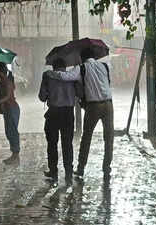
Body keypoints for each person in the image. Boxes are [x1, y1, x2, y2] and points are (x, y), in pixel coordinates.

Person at [46, 48, 114, 180]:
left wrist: (50, 73)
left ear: (82, 58)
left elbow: (65, 76)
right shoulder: (105, 66)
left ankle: (81, 168)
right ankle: (107, 168)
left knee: (86, 138)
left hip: (93, 106)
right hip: (108, 105)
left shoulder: (81, 68)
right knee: (109, 138)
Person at [38, 58, 76, 186]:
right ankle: (69, 174)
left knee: (52, 144)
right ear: (65, 67)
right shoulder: (72, 76)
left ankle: (53, 173)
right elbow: (80, 93)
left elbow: (42, 97)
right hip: (68, 113)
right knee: (67, 144)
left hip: (53, 113)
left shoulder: (47, 76)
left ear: (53, 67)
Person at [0, 62, 21, 164]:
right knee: (9, 132)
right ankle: (14, 155)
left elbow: (8, 95)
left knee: (12, 132)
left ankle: (15, 156)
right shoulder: (2, 81)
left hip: (11, 108)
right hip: (8, 109)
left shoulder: (6, 81)